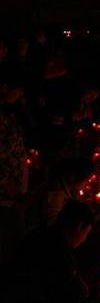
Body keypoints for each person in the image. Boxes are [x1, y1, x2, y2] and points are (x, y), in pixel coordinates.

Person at [3, 200, 94, 303]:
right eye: (86, 233)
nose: (84, 239)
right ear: (79, 227)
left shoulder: (38, 233)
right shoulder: (61, 257)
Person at [0, 82, 28, 265]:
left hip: (16, 188)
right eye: (17, 87)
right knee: (10, 236)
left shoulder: (8, 113)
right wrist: (10, 188)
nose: (20, 94)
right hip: (5, 195)